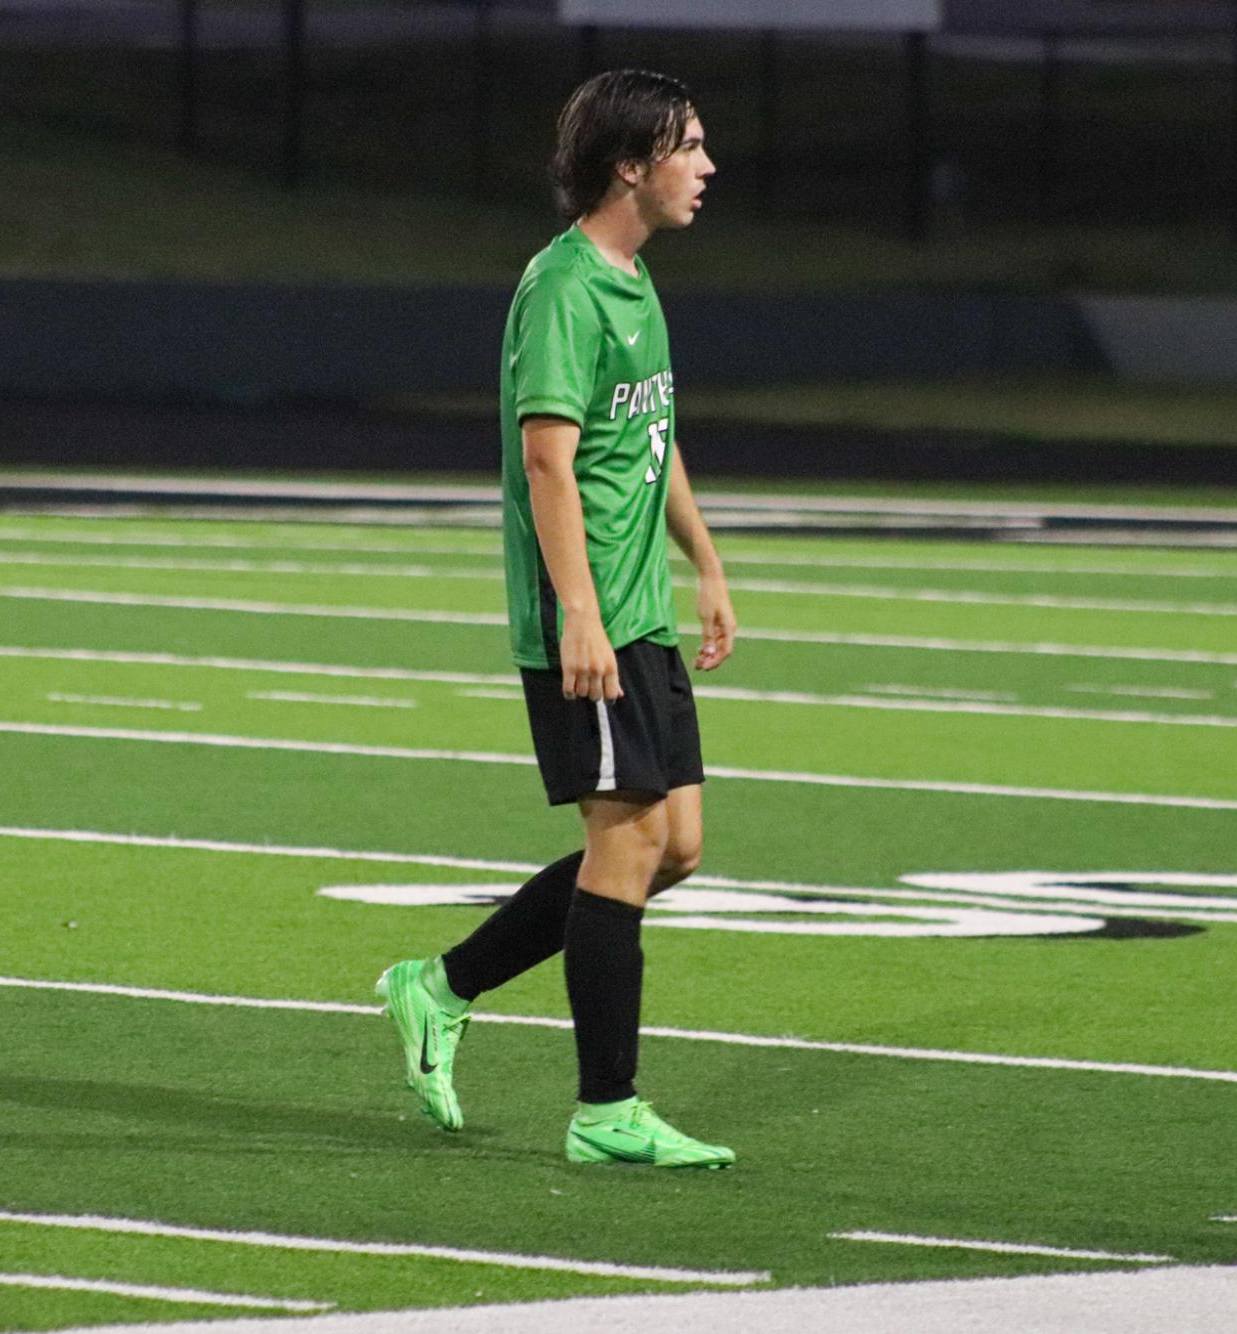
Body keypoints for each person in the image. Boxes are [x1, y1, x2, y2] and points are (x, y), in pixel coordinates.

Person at [376, 69, 736, 1169]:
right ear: (631, 164)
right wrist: (578, 613)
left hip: (643, 610)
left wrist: (708, 565)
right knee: (623, 847)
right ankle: (605, 1108)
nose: (707, 168)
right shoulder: (565, 287)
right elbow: (549, 459)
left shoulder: (634, 279)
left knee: (675, 845)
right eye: (690, 147)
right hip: (587, 615)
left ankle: (438, 984)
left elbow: (653, 439)